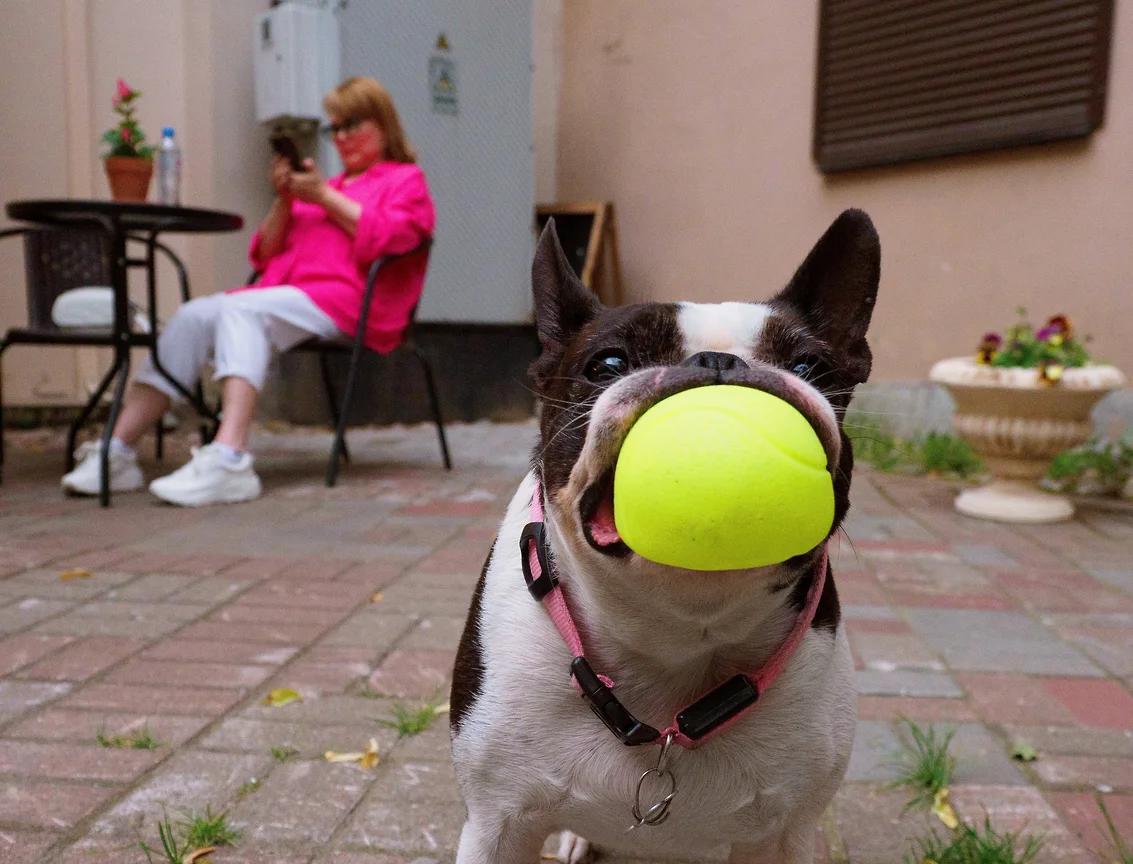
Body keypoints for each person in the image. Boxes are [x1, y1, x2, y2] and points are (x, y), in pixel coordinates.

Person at [62, 76, 435, 506]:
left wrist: (322, 198)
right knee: (194, 314)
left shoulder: (405, 180)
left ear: (383, 123)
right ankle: (119, 450)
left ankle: (230, 457)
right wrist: (285, 199)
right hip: (290, 296)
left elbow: (392, 238)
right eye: (336, 128)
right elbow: (265, 253)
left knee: (242, 310)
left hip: (353, 304)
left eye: (354, 123)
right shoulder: (327, 187)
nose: (343, 137)